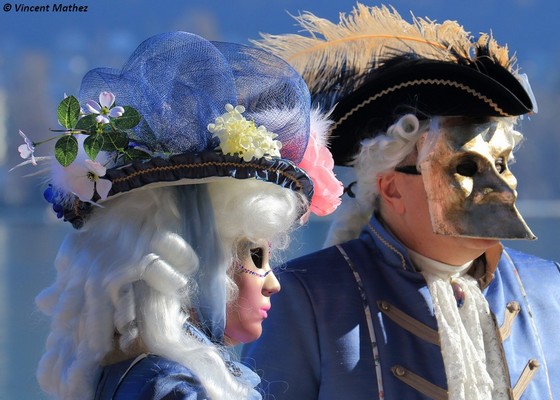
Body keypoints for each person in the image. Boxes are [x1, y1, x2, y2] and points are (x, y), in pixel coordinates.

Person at [242, 4, 560, 399]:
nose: (500, 187)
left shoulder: (547, 287)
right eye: (466, 166)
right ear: (392, 188)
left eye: (502, 163)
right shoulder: (307, 296)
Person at [16, 31, 342, 400]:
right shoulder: (171, 389)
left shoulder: (138, 376)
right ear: (194, 255)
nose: (273, 283)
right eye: (255, 254)